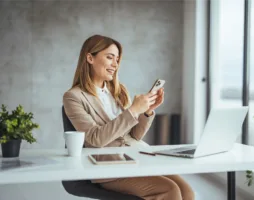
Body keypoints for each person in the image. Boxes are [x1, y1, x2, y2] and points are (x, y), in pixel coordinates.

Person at [63, 34, 195, 200]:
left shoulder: (118, 91)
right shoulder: (74, 97)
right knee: (169, 190)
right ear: (90, 58)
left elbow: (133, 135)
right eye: (109, 57)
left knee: (187, 190)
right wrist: (133, 110)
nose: (115, 64)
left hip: (137, 156)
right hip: (109, 166)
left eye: (117, 59)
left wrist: (146, 112)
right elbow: (94, 139)